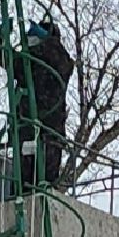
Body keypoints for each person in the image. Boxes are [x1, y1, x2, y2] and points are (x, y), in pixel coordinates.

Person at [14, 19, 73, 189]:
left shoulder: (54, 57)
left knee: (34, 184)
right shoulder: (36, 62)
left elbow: (13, 62)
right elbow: (12, 64)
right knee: (27, 186)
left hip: (44, 130)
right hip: (38, 129)